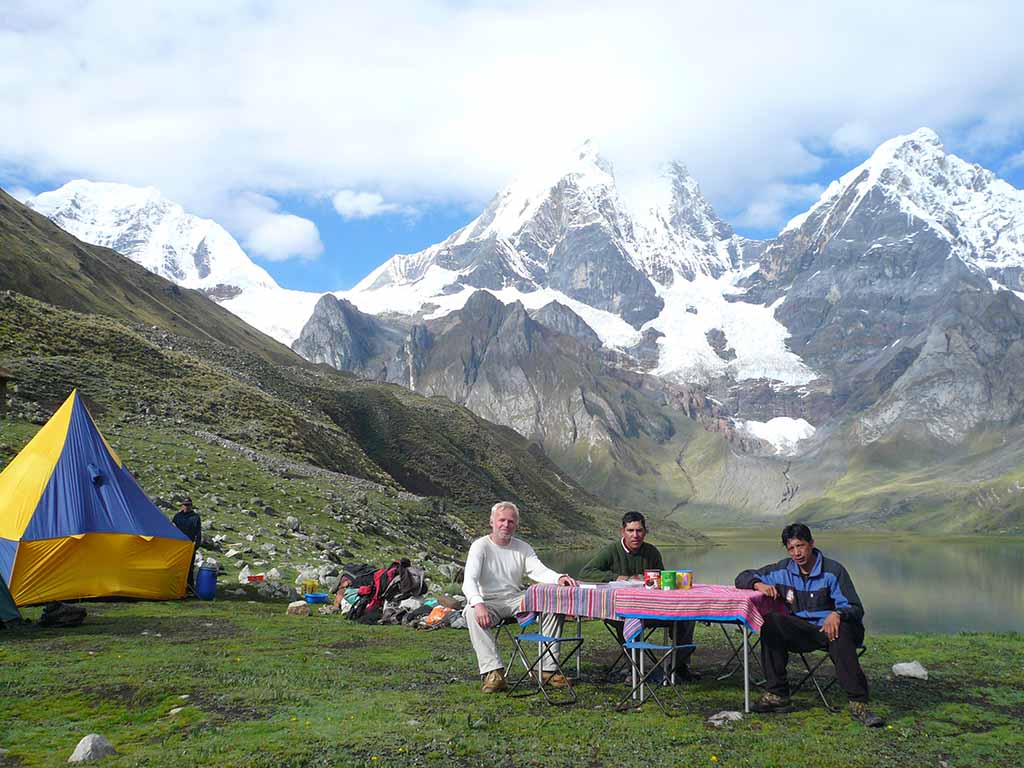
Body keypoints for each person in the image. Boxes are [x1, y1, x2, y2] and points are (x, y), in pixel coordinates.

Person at [735, 523, 884, 726]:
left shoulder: (833, 571)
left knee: (840, 630)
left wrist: (837, 613)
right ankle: (778, 694)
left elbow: (855, 607)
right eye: (791, 548)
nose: (797, 553)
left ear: (811, 544)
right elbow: (741, 577)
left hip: (833, 630)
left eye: (800, 546)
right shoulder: (783, 569)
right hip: (803, 631)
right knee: (771, 622)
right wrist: (757, 584)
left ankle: (859, 703)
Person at [462, 501, 578, 693]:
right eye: (501, 520)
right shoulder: (480, 546)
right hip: (489, 601)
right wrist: (478, 603)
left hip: (516, 598)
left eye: (510, 521)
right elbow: (469, 581)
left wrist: (559, 578)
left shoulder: (522, 547)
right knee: (471, 612)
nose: (505, 525)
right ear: (491, 522)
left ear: (516, 524)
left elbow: (539, 570)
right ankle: (493, 673)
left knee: (553, 604)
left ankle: (547, 669)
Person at [580, 511, 698, 681]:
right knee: (625, 618)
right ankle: (634, 669)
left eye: (639, 530)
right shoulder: (611, 551)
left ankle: (679, 667)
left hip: (652, 609)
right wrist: (617, 577)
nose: (635, 535)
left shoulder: (651, 552)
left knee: (686, 618)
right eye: (630, 530)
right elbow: (586, 572)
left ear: (645, 532)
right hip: (620, 610)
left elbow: (662, 577)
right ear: (623, 532)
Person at [172, 497, 202, 593]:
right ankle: (176, 587)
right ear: (182, 505)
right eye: (185, 504)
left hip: (189, 546)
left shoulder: (195, 517)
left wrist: (195, 546)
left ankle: (189, 588)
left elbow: (198, 533)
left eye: (188, 505)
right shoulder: (177, 516)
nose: (186, 506)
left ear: (191, 505)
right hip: (178, 545)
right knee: (176, 566)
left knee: (189, 568)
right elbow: (172, 528)